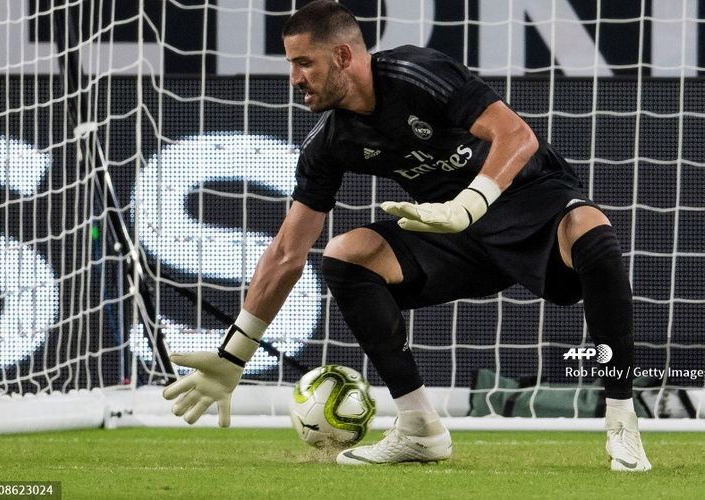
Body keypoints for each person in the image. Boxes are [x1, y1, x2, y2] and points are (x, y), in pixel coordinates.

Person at [163, 0, 651, 471]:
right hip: (454, 237)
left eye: (303, 63)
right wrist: (235, 353)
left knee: (592, 231)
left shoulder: (418, 73)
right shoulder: (332, 141)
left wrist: (469, 204)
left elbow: (517, 136)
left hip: (531, 207)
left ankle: (622, 421)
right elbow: (288, 252)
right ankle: (419, 426)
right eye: (292, 65)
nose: (295, 79)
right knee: (346, 253)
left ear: (343, 56)